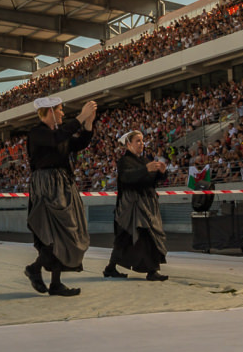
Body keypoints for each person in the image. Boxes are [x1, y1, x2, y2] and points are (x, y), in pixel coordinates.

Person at [23, 97, 96, 297]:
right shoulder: (37, 132)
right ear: (50, 112)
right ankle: (37, 270)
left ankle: (50, 280)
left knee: (65, 234)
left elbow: (79, 143)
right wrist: (80, 117)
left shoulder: (59, 133)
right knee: (53, 235)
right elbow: (56, 139)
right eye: (60, 110)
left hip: (62, 185)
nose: (63, 113)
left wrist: (88, 123)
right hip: (46, 187)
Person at [104, 130, 170, 281]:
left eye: (142, 141)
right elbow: (127, 178)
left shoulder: (145, 160)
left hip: (146, 202)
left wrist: (162, 173)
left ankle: (110, 268)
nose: (141, 144)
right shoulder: (124, 161)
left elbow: (151, 181)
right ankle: (152, 271)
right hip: (132, 205)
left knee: (124, 239)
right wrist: (146, 169)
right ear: (128, 144)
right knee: (144, 236)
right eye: (137, 141)